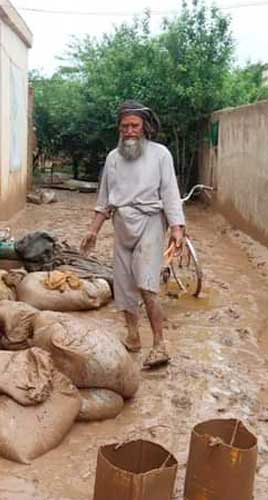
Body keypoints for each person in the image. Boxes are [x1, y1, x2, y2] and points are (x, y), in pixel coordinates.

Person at [80, 100, 186, 368]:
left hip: (150, 221)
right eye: (124, 126)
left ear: (145, 127)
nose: (129, 131)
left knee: (146, 283)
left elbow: (170, 192)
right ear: (119, 128)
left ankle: (160, 344)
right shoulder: (113, 159)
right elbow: (104, 200)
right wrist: (93, 229)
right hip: (121, 224)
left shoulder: (161, 154)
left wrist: (177, 228)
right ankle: (133, 336)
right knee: (124, 284)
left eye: (134, 126)